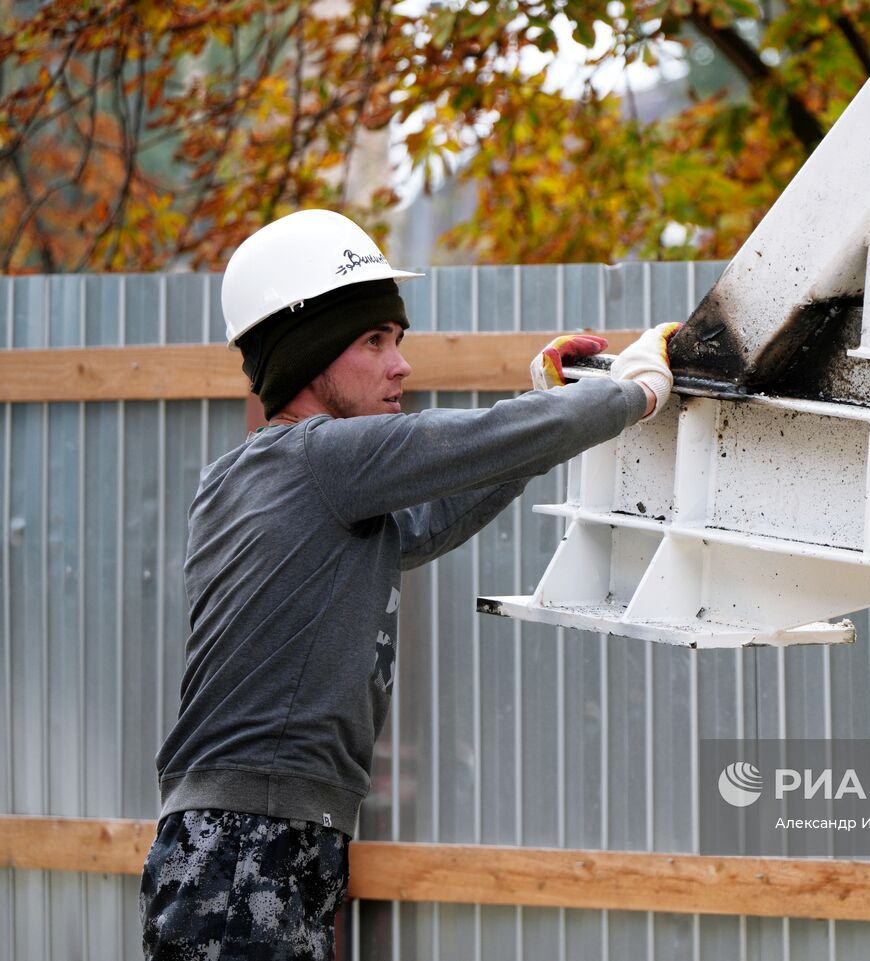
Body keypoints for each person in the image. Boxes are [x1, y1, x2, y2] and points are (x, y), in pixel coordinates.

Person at [138, 209, 680, 960]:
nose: (400, 365)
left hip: (260, 841)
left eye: (398, 340)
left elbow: (429, 521)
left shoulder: (274, 478)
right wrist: (633, 393)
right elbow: (482, 440)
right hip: (244, 846)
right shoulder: (321, 459)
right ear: (306, 356)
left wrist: (548, 404)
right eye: (373, 340)